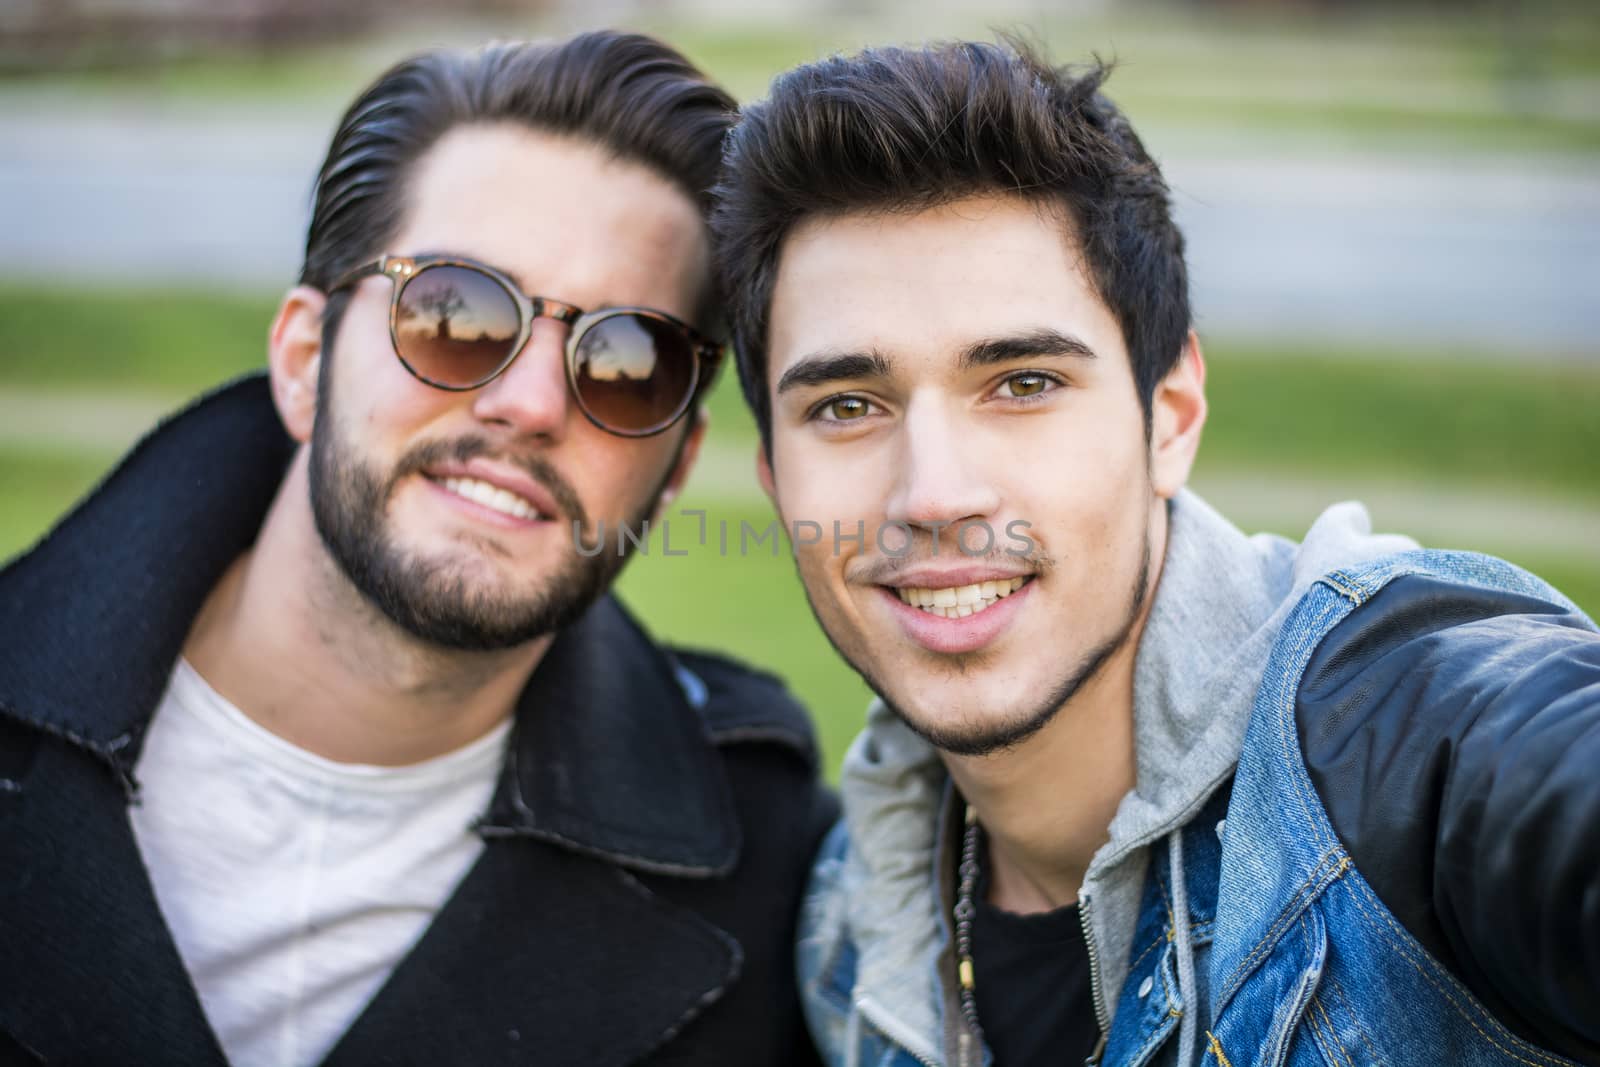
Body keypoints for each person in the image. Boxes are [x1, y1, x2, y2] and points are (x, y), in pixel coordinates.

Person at [710, 38, 1600, 1067]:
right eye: (848, 405)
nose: (933, 494)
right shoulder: (846, 935)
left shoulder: (1391, 728)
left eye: (1023, 382)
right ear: (776, 479)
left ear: (1169, 416)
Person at [0, 31, 835, 1066]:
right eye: (455, 311)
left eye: (627, 359)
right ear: (305, 359)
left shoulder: (779, 878)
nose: (529, 403)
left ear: (673, 465)